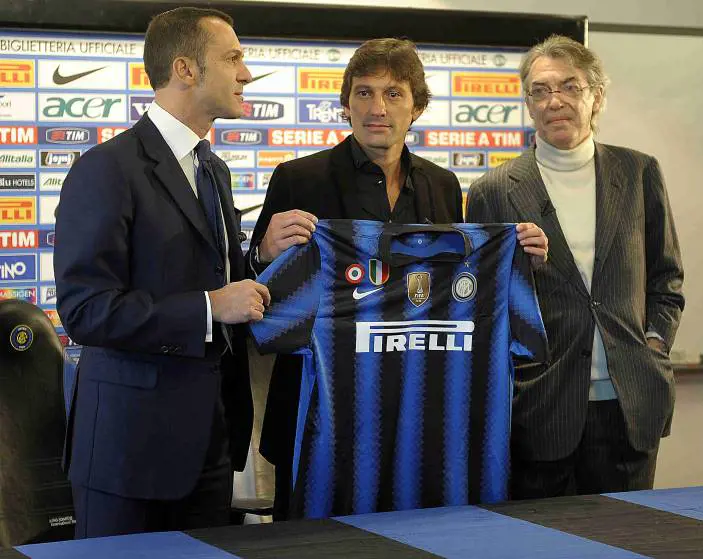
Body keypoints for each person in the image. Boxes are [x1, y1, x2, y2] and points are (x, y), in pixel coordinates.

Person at [246, 37, 547, 519]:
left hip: (418, 418)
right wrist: (262, 252)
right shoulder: (298, 178)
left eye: (393, 94)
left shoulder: (442, 184)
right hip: (322, 419)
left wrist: (521, 256)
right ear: (346, 104)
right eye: (364, 93)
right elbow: (258, 293)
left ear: (417, 107)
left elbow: (458, 287)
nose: (377, 108)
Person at [54, 7, 270, 538]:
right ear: (185, 69)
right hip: (128, 456)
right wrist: (209, 308)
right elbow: (86, 310)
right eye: (233, 58)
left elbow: (213, 276)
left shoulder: (213, 169)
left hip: (210, 446)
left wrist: (260, 256)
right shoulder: (107, 168)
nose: (246, 73)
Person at [467, 35, 685, 498]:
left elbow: (666, 278)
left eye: (570, 86)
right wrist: (519, 269)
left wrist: (654, 344)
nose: (555, 101)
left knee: (628, 533)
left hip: (629, 404)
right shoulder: (493, 190)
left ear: (596, 96)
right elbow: (481, 302)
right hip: (538, 406)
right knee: (539, 536)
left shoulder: (639, 172)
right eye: (541, 90)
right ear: (528, 103)